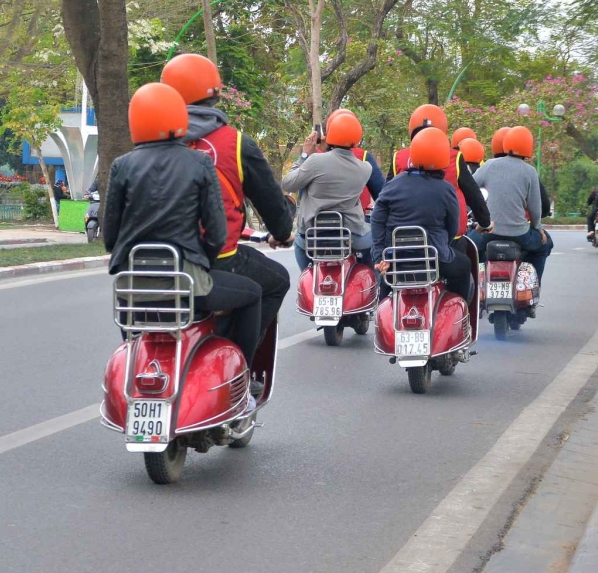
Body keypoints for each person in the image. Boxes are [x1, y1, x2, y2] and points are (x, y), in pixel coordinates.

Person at [102, 82, 263, 368]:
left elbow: (110, 237)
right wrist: (206, 261)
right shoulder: (199, 163)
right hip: (189, 285)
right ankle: (245, 375)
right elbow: (216, 232)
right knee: (253, 294)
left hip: (134, 288)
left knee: (134, 338)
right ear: (180, 118)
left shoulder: (121, 165)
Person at [161, 53, 294, 350]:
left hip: (157, 261)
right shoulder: (235, 144)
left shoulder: (151, 143)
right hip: (217, 260)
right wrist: (283, 233)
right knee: (277, 280)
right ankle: (239, 370)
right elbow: (272, 205)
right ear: (215, 95)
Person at [371, 127, 474, 300]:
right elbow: (452, 227)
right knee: (464, 265)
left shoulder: (392, 185)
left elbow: (377, 220)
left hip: (396, 257)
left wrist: (380, 255)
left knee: (385, 287)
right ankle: (459, 309)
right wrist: (443, 245)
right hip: (434, 257)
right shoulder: (445, 189)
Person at [281, 110, 375, 271]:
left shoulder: (315, 161)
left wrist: (305, 155)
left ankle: (307, 273)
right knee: (376, 243)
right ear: (358, 140)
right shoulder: (365, 168)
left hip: (312, 235)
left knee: (299, 242)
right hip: (351, 235)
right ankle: (373, 283)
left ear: (329, 136)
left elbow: (288, 184)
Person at [389, 103, 492, 236]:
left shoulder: (398, 157)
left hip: (405, 237)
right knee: (466, 257)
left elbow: (385, 197)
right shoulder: (455, 157)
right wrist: (485, 222)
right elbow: (473, 195)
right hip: (448, 237)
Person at [468, 126, 551, 285]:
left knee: (466, 248)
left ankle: (474, 289)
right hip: (520, 234)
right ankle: (532, 285)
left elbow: (470, 187)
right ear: (528, 147)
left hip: (489, 231)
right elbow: (535, 207)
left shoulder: (490, 165)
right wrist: (538, 227)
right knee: (545, 245)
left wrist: (480, 217)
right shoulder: (530, 171)